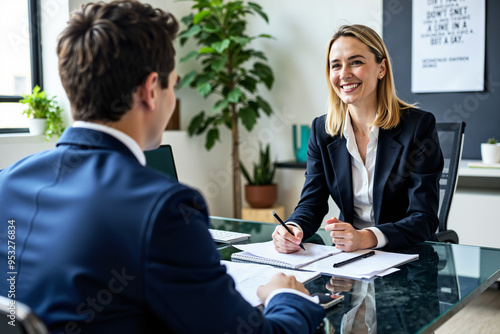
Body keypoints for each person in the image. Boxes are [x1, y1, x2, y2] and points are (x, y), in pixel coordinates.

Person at [0, 1, 325, 333]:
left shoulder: (5, 184)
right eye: (174, 84)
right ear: (151, 89)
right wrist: (286, 298)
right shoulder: (165, 210)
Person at [272, 24, 443, 253]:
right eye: (336, 65)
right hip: (350, 257)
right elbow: (312, 203)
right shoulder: (322, 130)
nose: (344, 74)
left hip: (405, 255)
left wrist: (366, 238)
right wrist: (293, 228)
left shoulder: (418, 126)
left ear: (381, 68)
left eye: (356, 62)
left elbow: (424, 218)